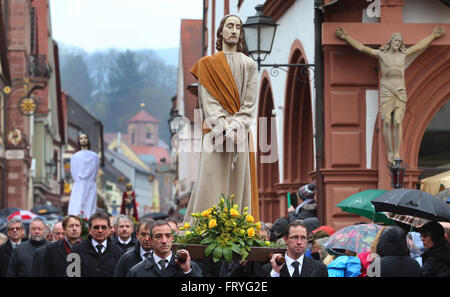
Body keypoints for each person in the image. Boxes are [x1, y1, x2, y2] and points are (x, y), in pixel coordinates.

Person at [184, 14, 259, 225]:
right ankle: (203, 229)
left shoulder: (250, 65)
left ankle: (237, 230)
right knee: (210, 183)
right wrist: (225, 128)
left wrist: (236, 127)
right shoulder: (206, 65)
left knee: (237, 184)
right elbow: (208, 103)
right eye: (229, 26)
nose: (234, 30)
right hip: (214, 135)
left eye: (238, 27)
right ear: (221, 31)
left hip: (240, 136)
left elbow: (249, 104)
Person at [335, 26, 445, 165]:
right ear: (391, 41)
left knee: (397, 122)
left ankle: (397, 151)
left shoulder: (403, 54)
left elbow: (419, 46)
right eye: (395, 40)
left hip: (399, 89)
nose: (397, 42)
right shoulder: (382, 55)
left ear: (401, 44)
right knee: (386, 121)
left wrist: (434, 35)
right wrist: (346, 37)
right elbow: (363, 48)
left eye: (399, 41)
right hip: (387, 88)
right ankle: (389, 151)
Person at [127, 220, 202, 277]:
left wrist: (187, 271)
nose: (164, 241)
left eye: (168, 236)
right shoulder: (136, 272)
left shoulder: (190, 267)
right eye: (158, 236)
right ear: (151, 240)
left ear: (172, 238)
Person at [263, 221, 328, 277]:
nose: (299, 242)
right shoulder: (269, 269)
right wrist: (275, 272)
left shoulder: (319, 269)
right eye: (295, 237)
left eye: (303, 238)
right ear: (286, 239)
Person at [71, 211, 123, 277]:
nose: (100, 230)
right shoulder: (77, 250)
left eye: (103, 227)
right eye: (96, 227)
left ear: (109, 229)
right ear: (89, 230)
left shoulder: (118, 252)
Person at [68, 132, 100, 219]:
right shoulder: (75, 156)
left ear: (88, 140)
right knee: (77, 205)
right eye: (81, 138)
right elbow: (73, 171)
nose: (83, 140)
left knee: (90, 206)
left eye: (85, 138)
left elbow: (96, 170)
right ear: (79, 141)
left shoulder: (94, 156)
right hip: (79, 185)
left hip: (90, 185)